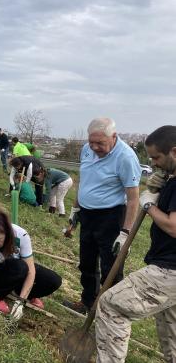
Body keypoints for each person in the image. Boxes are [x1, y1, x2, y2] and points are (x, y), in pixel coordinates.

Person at [95, 125, 176, 363]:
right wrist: (162, 188)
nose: (153, 162)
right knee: (170, 328)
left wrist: (149, 206)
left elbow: (173, 226)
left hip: (169, 270)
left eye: (156, 157)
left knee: (112, 305)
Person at [63, 118, 141, 315]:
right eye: (92, 142)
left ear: (113, 137)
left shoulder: (126, 157)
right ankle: (88, 302)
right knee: (86, 262)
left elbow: (133, 198)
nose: (95, 147)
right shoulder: (87, 150)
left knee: (111, 268)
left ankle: (109, 313)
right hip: (88, 215)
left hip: (111, 217)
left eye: (100, 143)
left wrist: (125, 233)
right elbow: (84, 180)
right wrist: (75, 211)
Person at [0, 208, 62, 318]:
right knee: (20, 267)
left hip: (15, 269)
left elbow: (31, 271)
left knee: (53, 280)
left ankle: (21, 292)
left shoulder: (21, 235)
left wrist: (21, 301)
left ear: (7, 232)